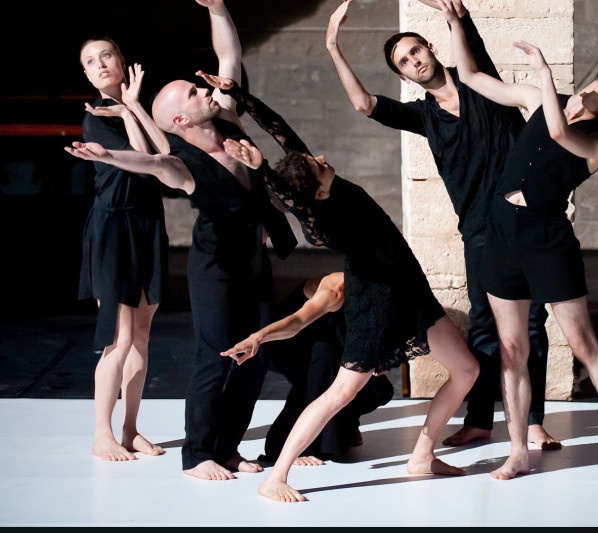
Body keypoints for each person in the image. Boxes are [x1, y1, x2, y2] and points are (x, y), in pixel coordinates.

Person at [200, 72, 479, 502]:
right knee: (343, 391)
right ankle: (276, 476)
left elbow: (280, 130)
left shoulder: (321, 179)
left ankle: (422, 454)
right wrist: (260, 171)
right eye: (317, 163)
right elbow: (293, 201)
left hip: (410, 288)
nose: (323, 157)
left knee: (466, 369)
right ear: (314, 187)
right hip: (378, 302)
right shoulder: (322, 222)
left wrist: (239, 96)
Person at [66, 0, 298, 481]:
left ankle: (229, 447)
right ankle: (198, 455)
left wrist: (218, 9)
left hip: (253, 263)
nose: (204, 90)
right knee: (216, 357)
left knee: (255, 357)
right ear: (179, 119)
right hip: (214, 271)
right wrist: (108, 156)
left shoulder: (229, 120)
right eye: (194, 94)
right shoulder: (186, 161)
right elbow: (151, 163)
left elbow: (228, 55)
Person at [334, 0, 559, 450]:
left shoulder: (480, 80)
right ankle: (480, 420)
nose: (415, 61)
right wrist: (333, 44)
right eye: (404, 62)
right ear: (403, 76)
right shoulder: (422, 116)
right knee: (485, 324)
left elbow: (451, 4)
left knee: (533, 321)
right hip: (479, 231)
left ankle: (534, 421)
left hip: (526, 217)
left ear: (432, 49)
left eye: (416, 51)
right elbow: (361, 104)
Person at [437, 0, 598, 484]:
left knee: (582, 344)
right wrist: (455, 24)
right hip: (501, 231)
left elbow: (556, 135)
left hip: (547, 237)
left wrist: (546, 75)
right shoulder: (536, 99)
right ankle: (516, 450)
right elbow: (472, 79)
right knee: (511, 351)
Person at [76, 38, 171, 461]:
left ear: (121, 60)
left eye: (106, 56)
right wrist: (127, 112)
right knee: (120, 336)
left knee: (144, 335)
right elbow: (140, 157)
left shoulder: (139, 108)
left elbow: (161, 157)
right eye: (90, 62)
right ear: (86, 74)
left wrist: (133, 107)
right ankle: (102, 434)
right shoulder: (95, 117)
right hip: (113, 228)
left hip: (147, 224)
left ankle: (131, 430)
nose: (100, 65)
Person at [244, 272, 395, 465]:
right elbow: (295, 323)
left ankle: (346, 424)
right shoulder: (335, 290)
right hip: (285, 342)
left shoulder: (386, 299)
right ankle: (290, 445)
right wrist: (257, 337)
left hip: (332, 347)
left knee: (380, 391)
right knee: (324, 358)